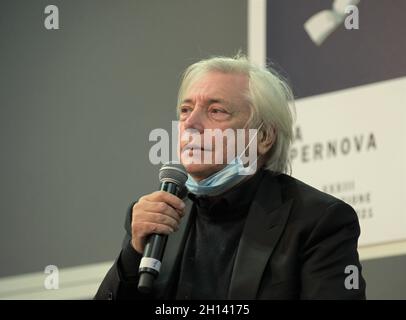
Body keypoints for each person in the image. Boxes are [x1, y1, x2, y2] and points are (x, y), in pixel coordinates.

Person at [95, 55, 366, 300]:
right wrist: (132, 253)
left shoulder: (318, 221)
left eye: (216, 111)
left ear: (263, 137)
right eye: (186, 110)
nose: (190, 124)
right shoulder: (156, 217)